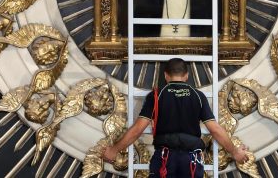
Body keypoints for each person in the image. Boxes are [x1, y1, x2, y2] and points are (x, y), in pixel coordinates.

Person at [103, 58, 248, 177]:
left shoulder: (156, 95)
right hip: (191, 160)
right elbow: (215, 129)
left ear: (166, 75)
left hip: (165, 159)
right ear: (186, 75)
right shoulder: (198, 96)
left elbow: (137, 129)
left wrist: (114, 150)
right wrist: (235, 152)